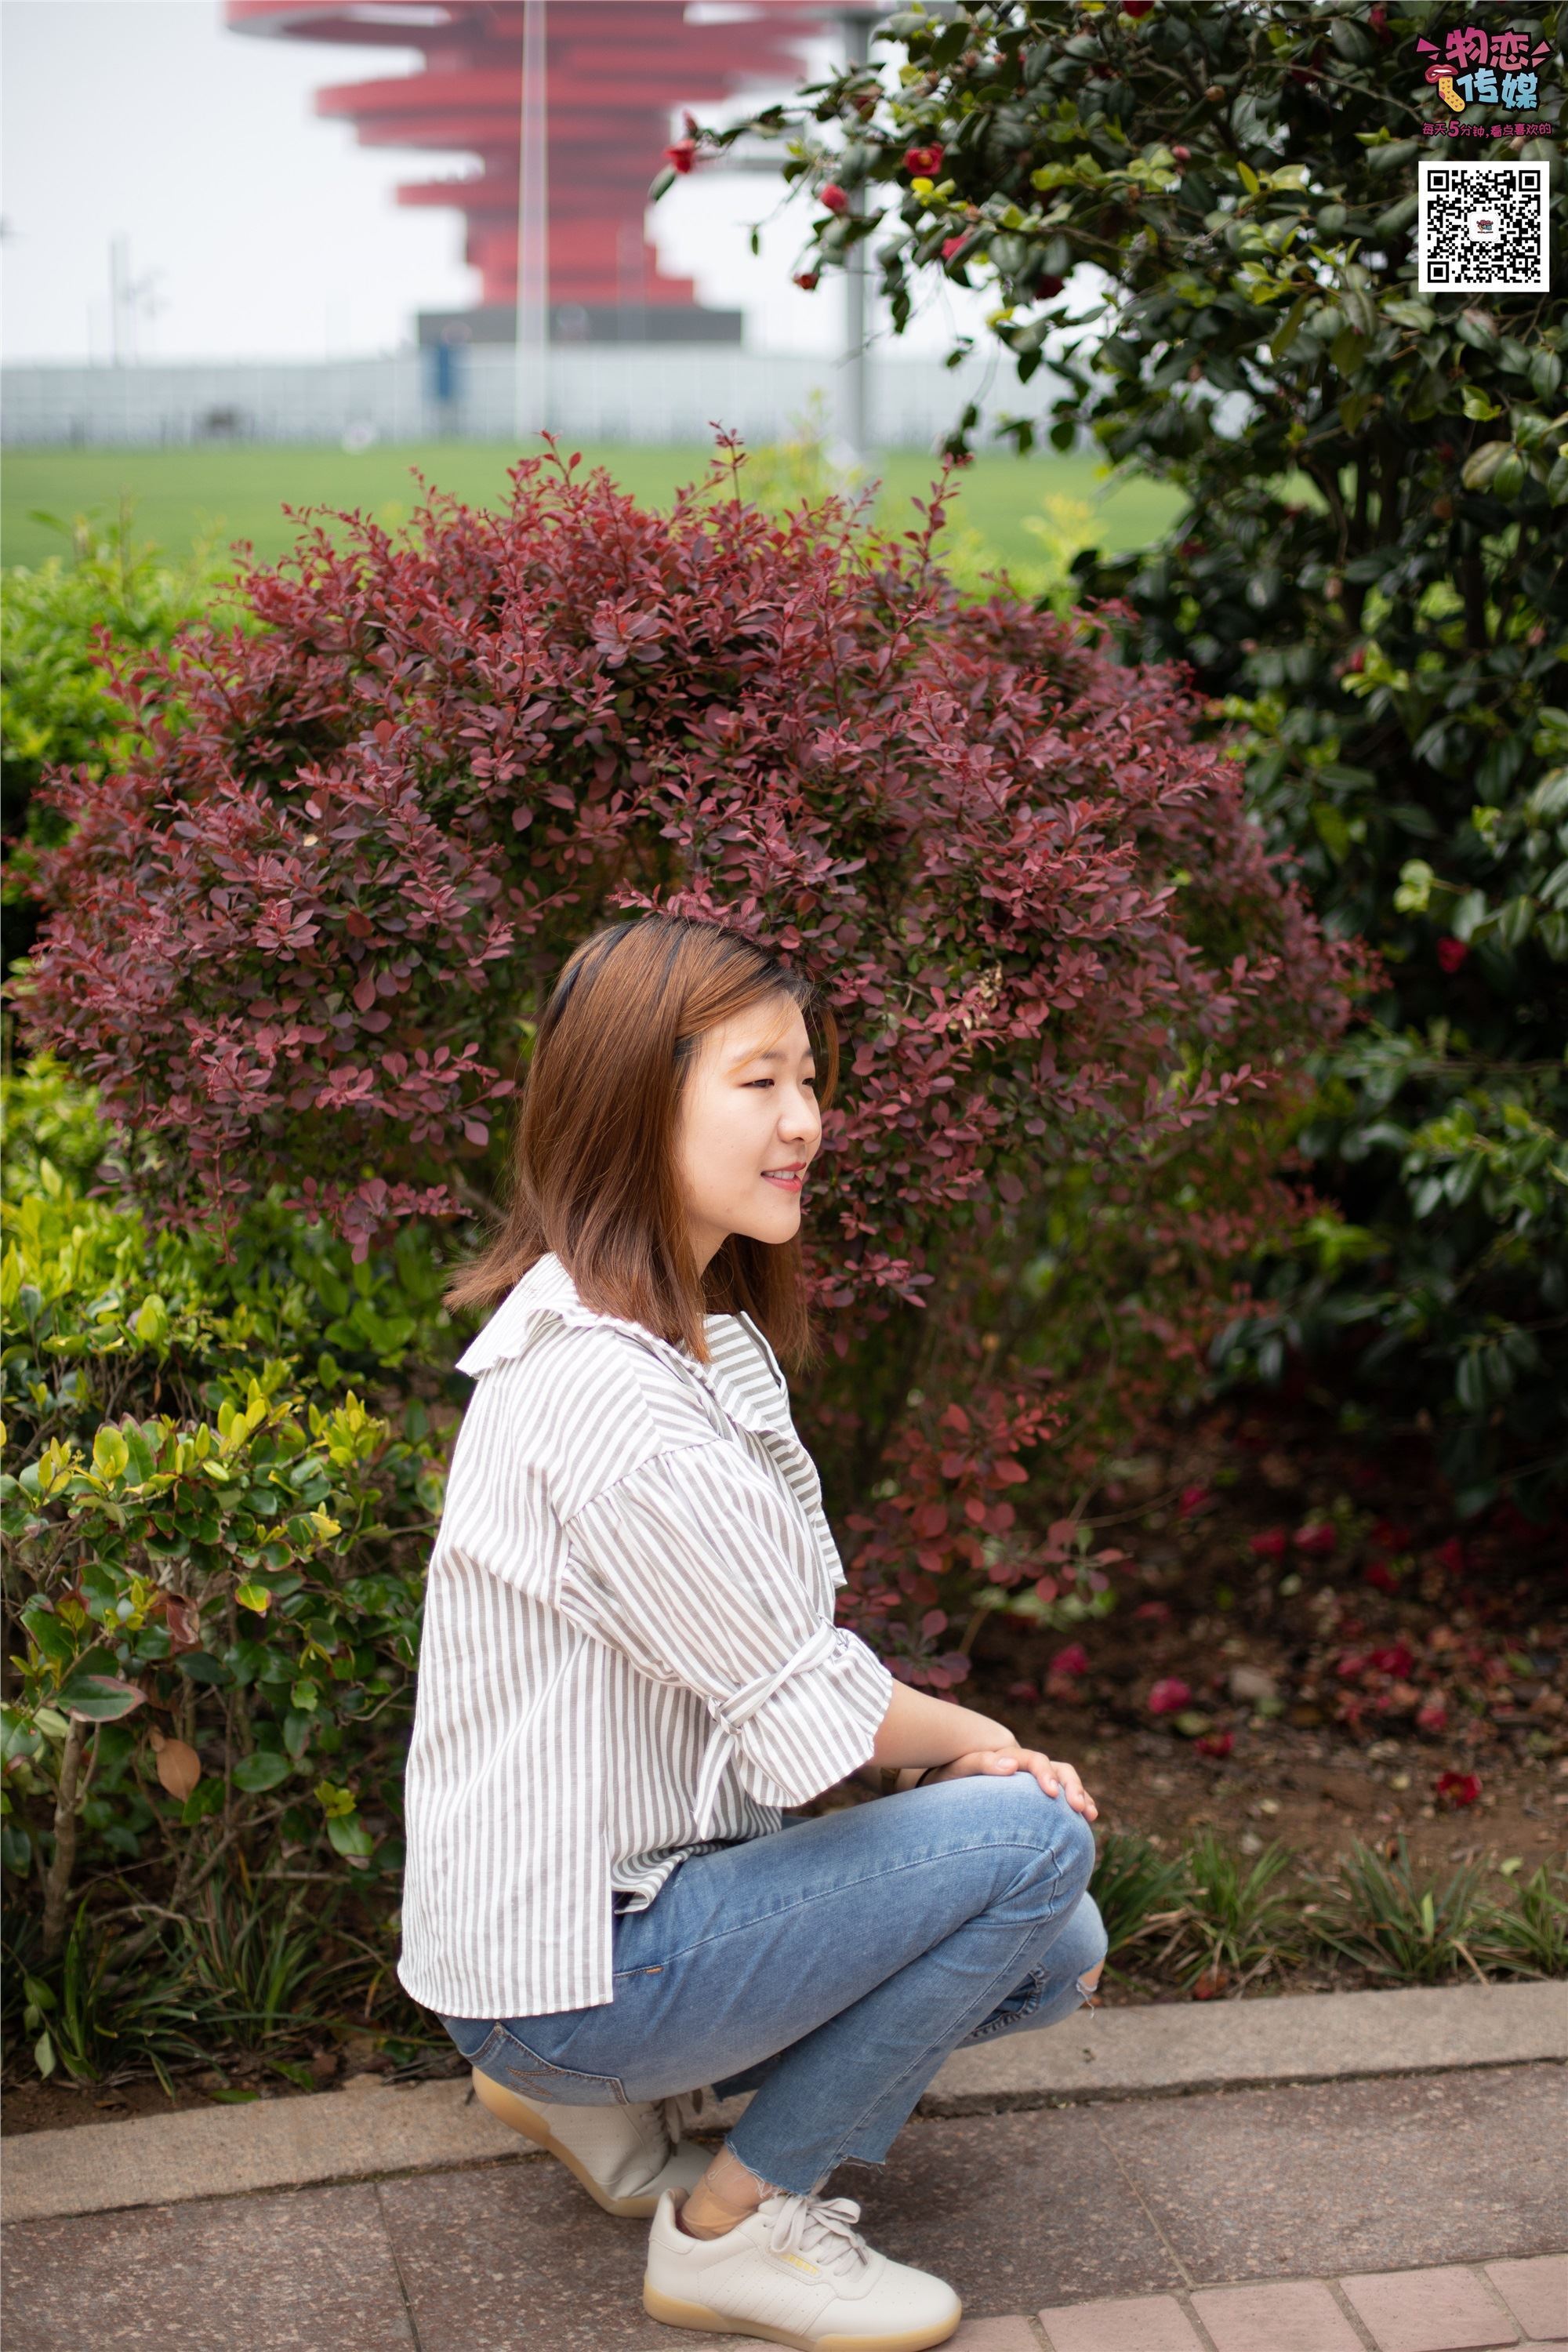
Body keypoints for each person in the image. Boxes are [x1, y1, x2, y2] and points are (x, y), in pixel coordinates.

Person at [397, 913, 1108, 2352]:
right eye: (760, 1082)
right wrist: (990, 1747)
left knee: (1057, 1941)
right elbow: (812, 1704)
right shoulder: (614, 1402)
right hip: (583, 1961)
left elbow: (774, 1683)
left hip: (611, 1913)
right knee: (1036, 1851)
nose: (806, 1122)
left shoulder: (676, 1335)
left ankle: (594, 2096)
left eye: (809, 1079)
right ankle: (730, 2228)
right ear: (634, 1100)